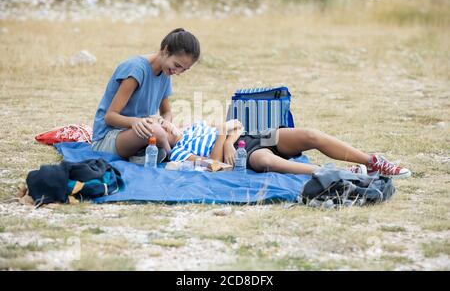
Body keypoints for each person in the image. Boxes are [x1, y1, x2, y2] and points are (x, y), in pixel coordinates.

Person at [148, 117, 412, 179]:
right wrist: (221, 136)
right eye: (161, 126)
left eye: (163, 120)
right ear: (161, 139)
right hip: (246, 155)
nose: (166, 124)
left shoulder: (194, 125)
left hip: (249, 137)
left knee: (310, 135)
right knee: (268, 162)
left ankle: (372, 161)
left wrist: (227, 137)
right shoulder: (179, 154)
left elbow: (237, 125)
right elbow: (218, 165)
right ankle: (335, 173)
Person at [91, 28, 200, 158]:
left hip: (140, 133)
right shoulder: (136, 70)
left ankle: (181, 154)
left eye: (184, 70)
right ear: (165, 51)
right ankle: (172, 156)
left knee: (176, 131)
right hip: (108, 137)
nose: (177, 72)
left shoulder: (166, 72)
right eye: (177, 65)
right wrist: (135, 122)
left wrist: (166, 123)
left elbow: (166, 112)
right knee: (157, 133)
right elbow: (110, 117)